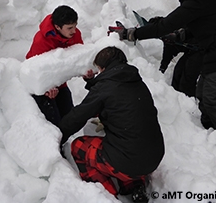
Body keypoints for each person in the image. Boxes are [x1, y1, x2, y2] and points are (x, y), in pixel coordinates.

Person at [112, 0, 216, 172]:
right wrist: (182, 34)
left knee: (213, 99)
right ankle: (212, 126)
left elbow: (167, 24)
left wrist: (133, 33)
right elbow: (205, 23)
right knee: (203, 91)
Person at [59, 46, 164, 203]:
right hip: (154, 157)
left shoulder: (105, 88)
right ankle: (134, 184)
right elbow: (111, 98)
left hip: (128, 160)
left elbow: (78, 116)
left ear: (103, 68)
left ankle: (105, 195)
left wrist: (57, 135)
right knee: (125, 147)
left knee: (79, 146)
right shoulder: (136, 82)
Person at [26, 5, 89, 126]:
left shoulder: (74, 35)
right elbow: (35, 70)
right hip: (40, 86)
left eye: (75, 26)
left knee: (69, 119)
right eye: (70, 28)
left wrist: (86, 72)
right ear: (57, 27)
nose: (74, 31)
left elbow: (79, 58)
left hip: (60, 82)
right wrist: (47, 89)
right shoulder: (41, 41)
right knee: (54, 122)